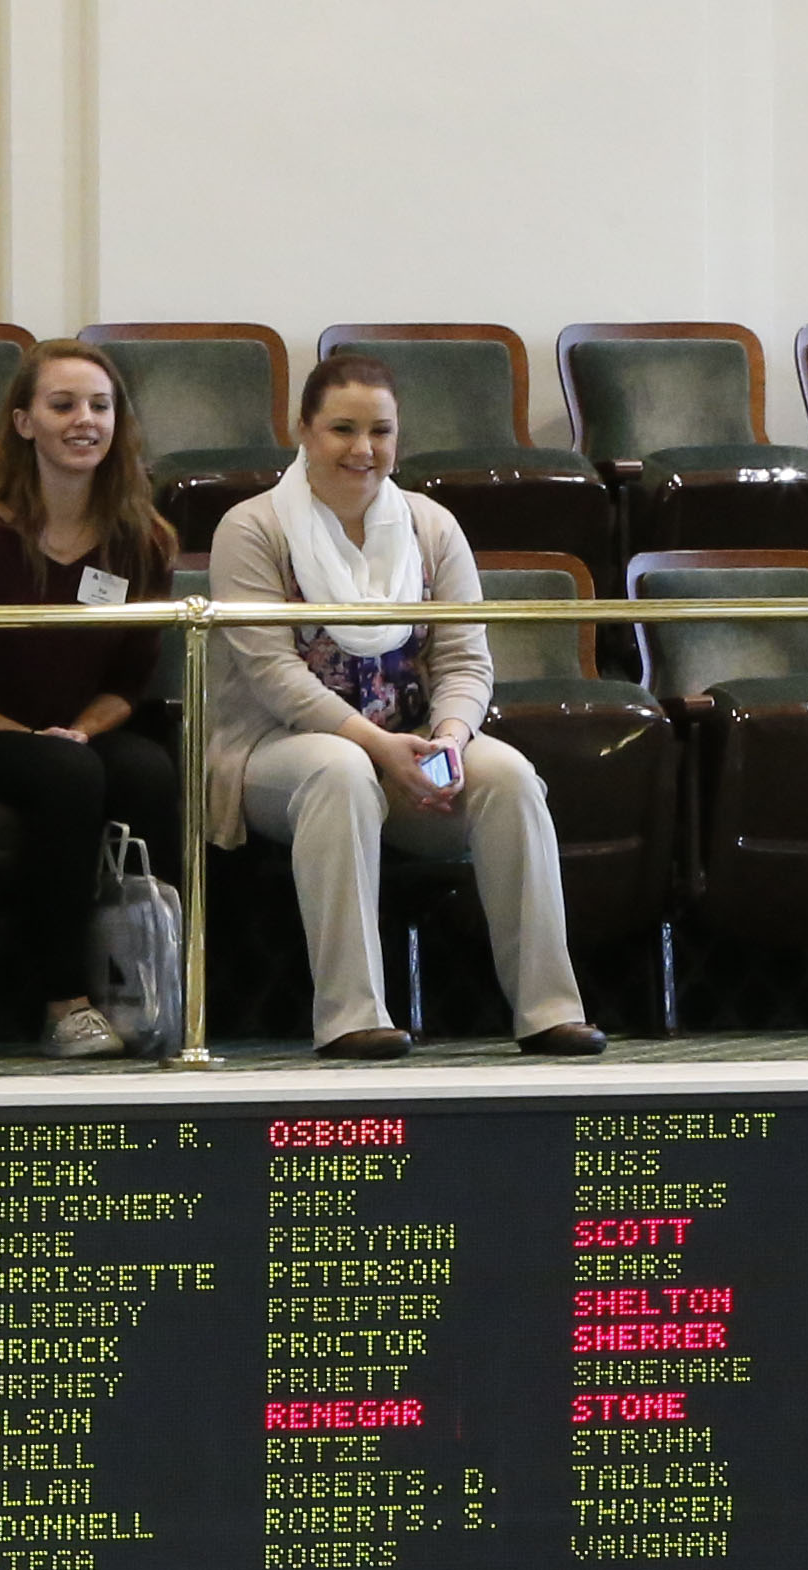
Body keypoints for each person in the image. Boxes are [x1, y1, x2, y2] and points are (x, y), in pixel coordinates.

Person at [204, 350, 603, 1058]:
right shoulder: (251, 527)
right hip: (275, 748)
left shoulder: (431, 526)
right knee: (338, 768)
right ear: (303, 430)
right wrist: (378, 745)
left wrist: (450, 736)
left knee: (506, 773)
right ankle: (351, 1015)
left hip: (414, 741)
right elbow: (272, 675)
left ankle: (548, 1009)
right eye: (341, 429)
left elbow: (464, 661)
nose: (362, 450)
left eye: (379, 431)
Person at [0, 340, 184, 1057]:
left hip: (79, 733)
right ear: (24, 421)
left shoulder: (141, 541)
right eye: (62, 405)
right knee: (66, 776)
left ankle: (153, 986)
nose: (83, 420)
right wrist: (36, 740)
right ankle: (64, 1001)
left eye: (99, 405)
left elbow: (130, 680)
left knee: (147, 770)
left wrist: (81, 729)